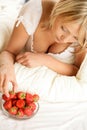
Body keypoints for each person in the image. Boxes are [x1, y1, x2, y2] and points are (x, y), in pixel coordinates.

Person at [0, 0, 87, 96]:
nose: (64, 39)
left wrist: (45, 60)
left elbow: (78, 71)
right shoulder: (34, 12)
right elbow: (9, 51)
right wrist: (6, 66)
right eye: (64, 28)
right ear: (59, 10)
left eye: (75, 37)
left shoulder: (83, 37)